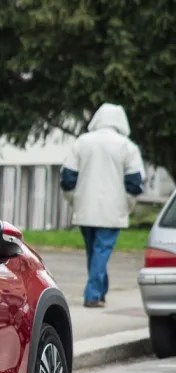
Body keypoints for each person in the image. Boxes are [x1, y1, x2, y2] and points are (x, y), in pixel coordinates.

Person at [60, 103, 144, 308]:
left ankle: (100, 290)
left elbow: (68, 178)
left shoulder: (82, 142)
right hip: (112, 211)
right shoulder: (127, 146)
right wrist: (127, 205)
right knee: (101, 251)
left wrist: (74, 200)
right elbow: (134, 182)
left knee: (93, 251)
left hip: (85, 208)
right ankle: (93, 294)